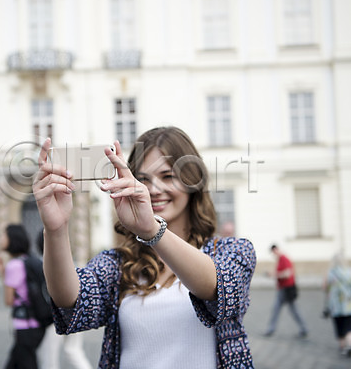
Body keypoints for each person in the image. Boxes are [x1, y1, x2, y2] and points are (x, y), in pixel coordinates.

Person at [32, 126, 257, 368]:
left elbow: (218, 287)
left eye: (168, 176)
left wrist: (152, 230)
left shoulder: (233, 251)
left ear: (193, 181)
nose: (154, 189)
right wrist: (56, 229)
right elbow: (71, 301)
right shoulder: (120, 263)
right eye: (143, 179)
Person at [34, 230, 93, 369]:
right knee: (74, 351)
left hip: (53, 316)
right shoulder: (71, 263)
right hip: (76, 311)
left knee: (49, 358)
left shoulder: (43, 265)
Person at [1, 224, 46, 369]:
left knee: (26, 363)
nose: (1, 239)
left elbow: (8, 300)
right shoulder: (27, 260)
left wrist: (4, 274)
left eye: (3, 235)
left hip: (24, 325)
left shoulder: (13, 265)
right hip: (37, 324)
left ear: (12, 239)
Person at [263, 244, 308, 338]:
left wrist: (274, 275)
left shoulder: (284, 259)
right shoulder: (280, 259)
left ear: (276, 250)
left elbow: (287, 274)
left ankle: (303, 328)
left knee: (289, 309)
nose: (274, 254)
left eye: (274, 252)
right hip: (283, 288)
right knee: (280, 309)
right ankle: (271, 329)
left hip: (287, 288)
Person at [323, 253, 351, 357]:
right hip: (349, 304)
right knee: (349, 326)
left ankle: (342, 348)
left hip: (335, 305)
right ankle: (350, 346)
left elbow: (325, 287)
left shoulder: (330, 272)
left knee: (339, 327)